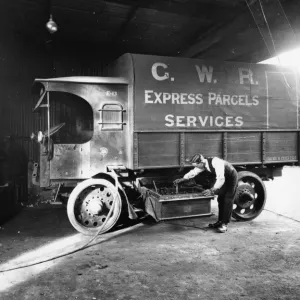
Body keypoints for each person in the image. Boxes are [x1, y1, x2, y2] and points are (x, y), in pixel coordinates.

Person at [173, 153, 238, 233]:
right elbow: (194, 172)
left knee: (228, 200)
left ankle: (224, 224)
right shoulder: (203, 164)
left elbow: (221, 179)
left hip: (231, 178)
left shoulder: (216, 162)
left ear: (201, 162)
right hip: (223, 179)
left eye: (197, 165)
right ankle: (220, 222)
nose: (196, 167)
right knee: (221, 199)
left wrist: (211, 190)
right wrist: (183, 179)